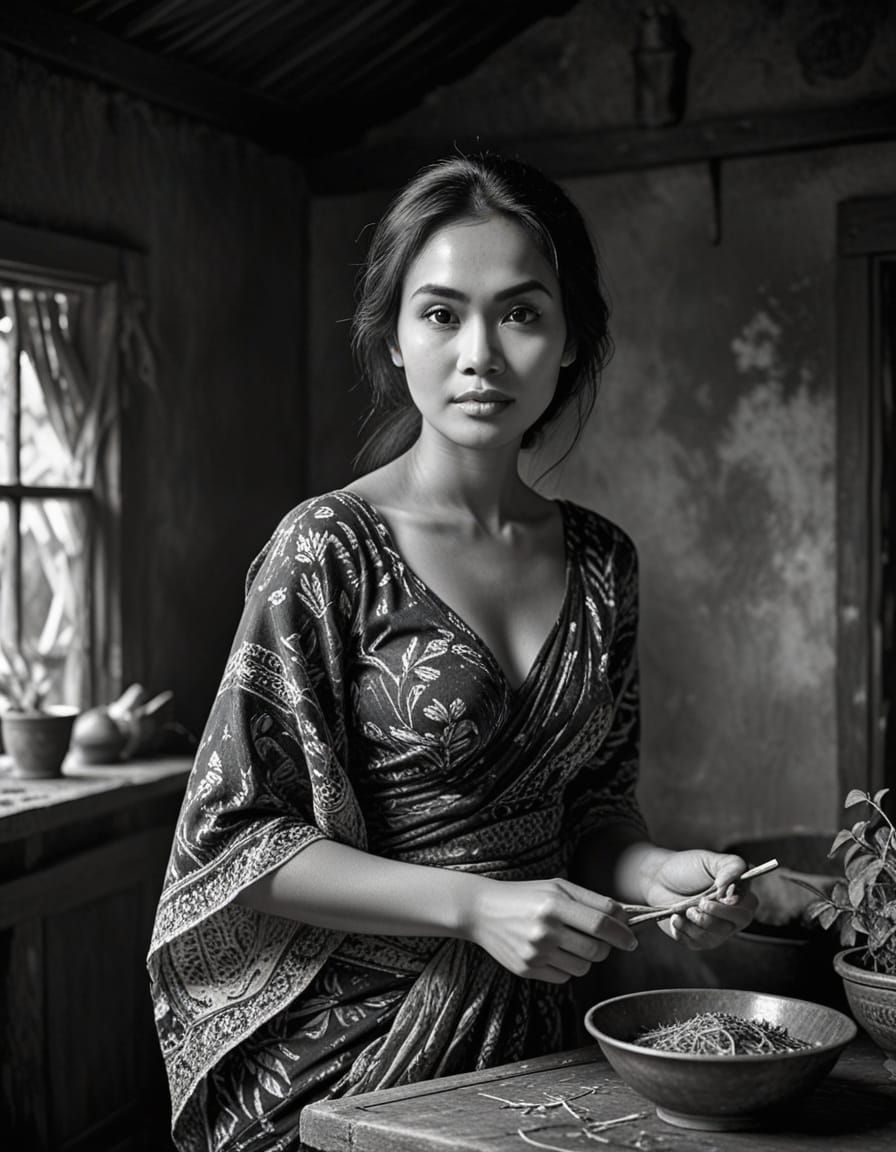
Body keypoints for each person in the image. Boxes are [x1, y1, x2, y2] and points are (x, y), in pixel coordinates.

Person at [148, 151, 758, 1152]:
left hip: (542, 1049)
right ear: (391, 335)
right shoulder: (326, 551)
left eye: (520, 313)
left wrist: (656, 875)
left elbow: (592, 811)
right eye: (440, 313)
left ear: (570, 339)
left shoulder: (604, 561)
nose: (479, 352)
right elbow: (236, 844)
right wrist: (476, 907)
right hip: (350, 1059)